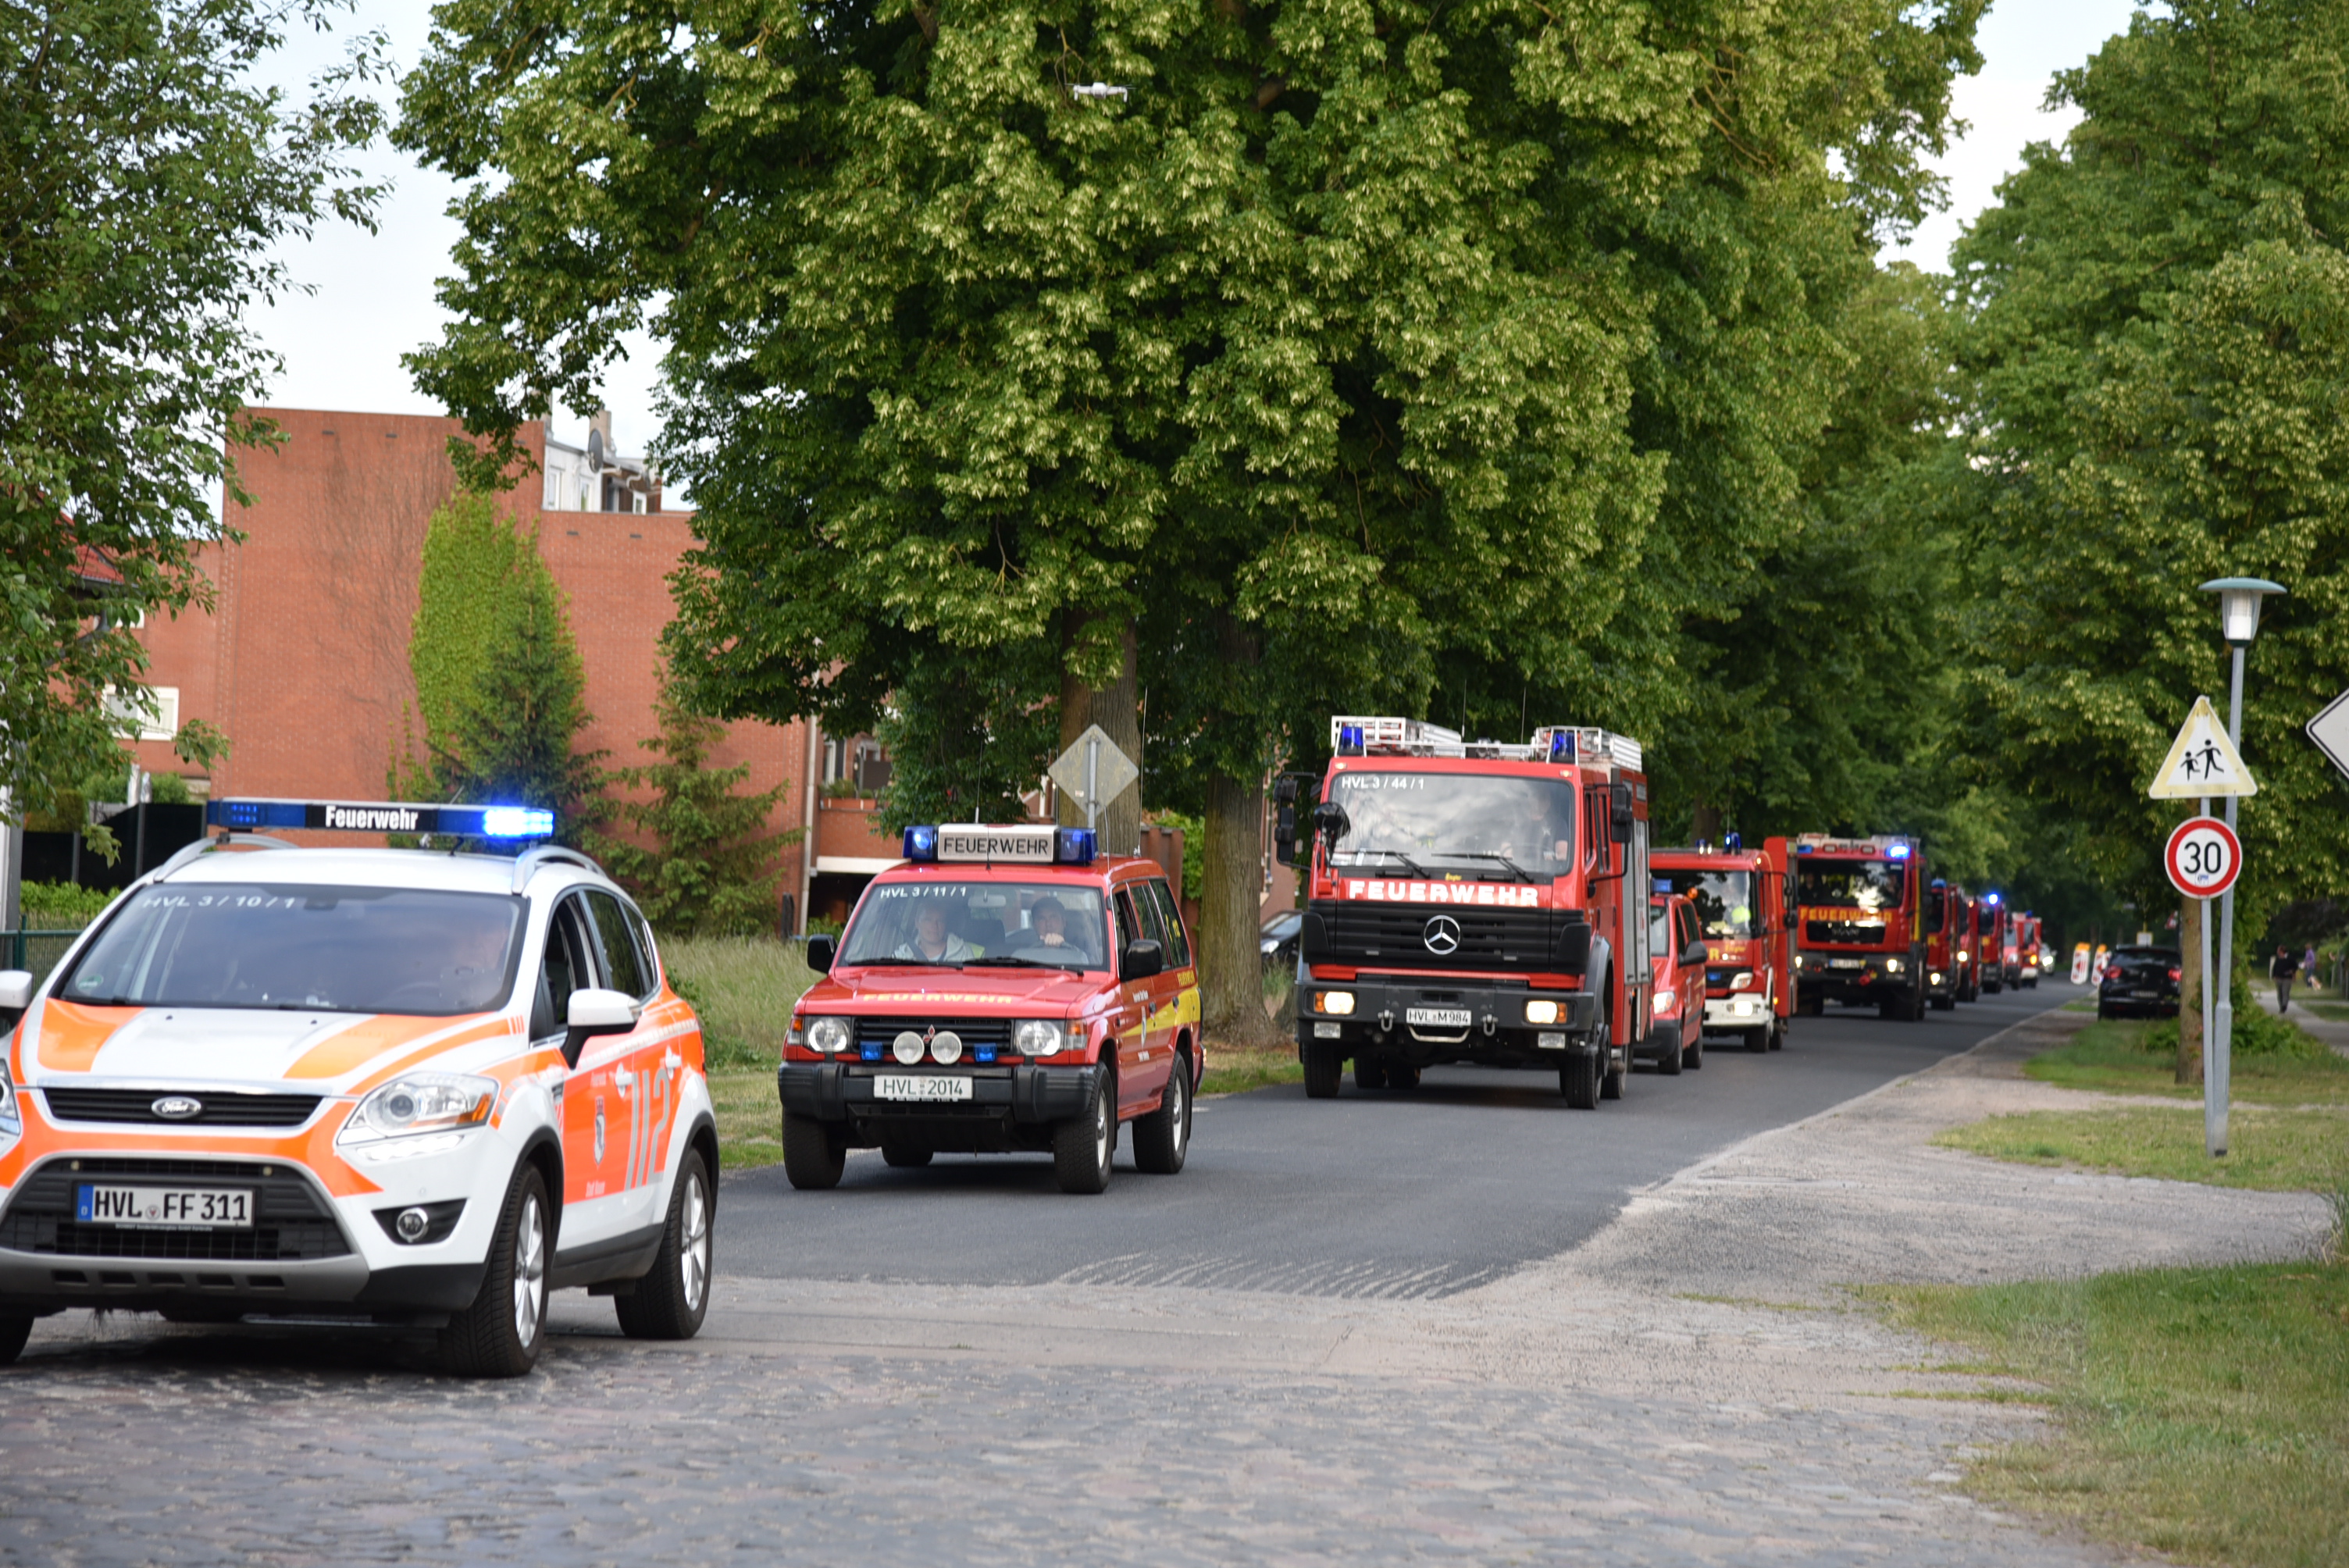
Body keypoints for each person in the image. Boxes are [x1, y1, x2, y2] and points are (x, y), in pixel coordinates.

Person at [1012, 896, 1092, 965]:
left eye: (1053, 917)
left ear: (1064, 922)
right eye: (1042, 919)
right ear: (1034, 925)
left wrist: (1065, 946)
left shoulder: (1079, 957)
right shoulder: (1020, 958)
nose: (1048, 924)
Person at [893, 903, 978, 964]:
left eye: (940, 921)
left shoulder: (963, 952)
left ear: (945, 925)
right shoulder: (902, 955)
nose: (934, 926)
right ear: (917, 923)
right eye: (928, 920)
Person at [2271, 944, 2299, 1014]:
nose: (2277, 951)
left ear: (2282, 951)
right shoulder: (2278, 959)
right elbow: (2275, 968)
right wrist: (2274, 975)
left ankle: (2284, 1005)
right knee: (2279, 993)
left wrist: (2292, 972)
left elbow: (2295, 966)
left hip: (2287, 978)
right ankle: (2281, 1007)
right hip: (2279, 978)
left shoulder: (2290, 958)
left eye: (2279, 950)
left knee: (2285, 992)